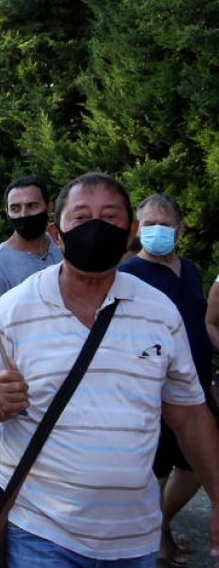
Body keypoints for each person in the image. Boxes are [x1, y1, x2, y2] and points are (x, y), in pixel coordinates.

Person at [0, 172, 219, 565]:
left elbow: (191, 416)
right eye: (81, 217)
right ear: (57, 236)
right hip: (39, 532)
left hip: (135, 540)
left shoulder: (160, 313)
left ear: (130, 232)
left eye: (110, 217)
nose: (96, 227)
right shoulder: (14, 310)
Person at [118, 193, 215, 566]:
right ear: (137, 228)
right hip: (153, 389)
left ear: (180, 227)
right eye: (148, 224)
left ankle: (162, 523)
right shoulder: (128, 275)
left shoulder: (188, 270)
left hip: (196, 386)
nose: (156, 231)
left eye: (165, 224)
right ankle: (158, 540)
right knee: (156, 469)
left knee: (193, 465)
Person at [0, 176, 63, 321]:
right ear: (7, 212)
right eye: (15, 208)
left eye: (32, 206)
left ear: (49, 207)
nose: (23, 214)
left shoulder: (65, 246)